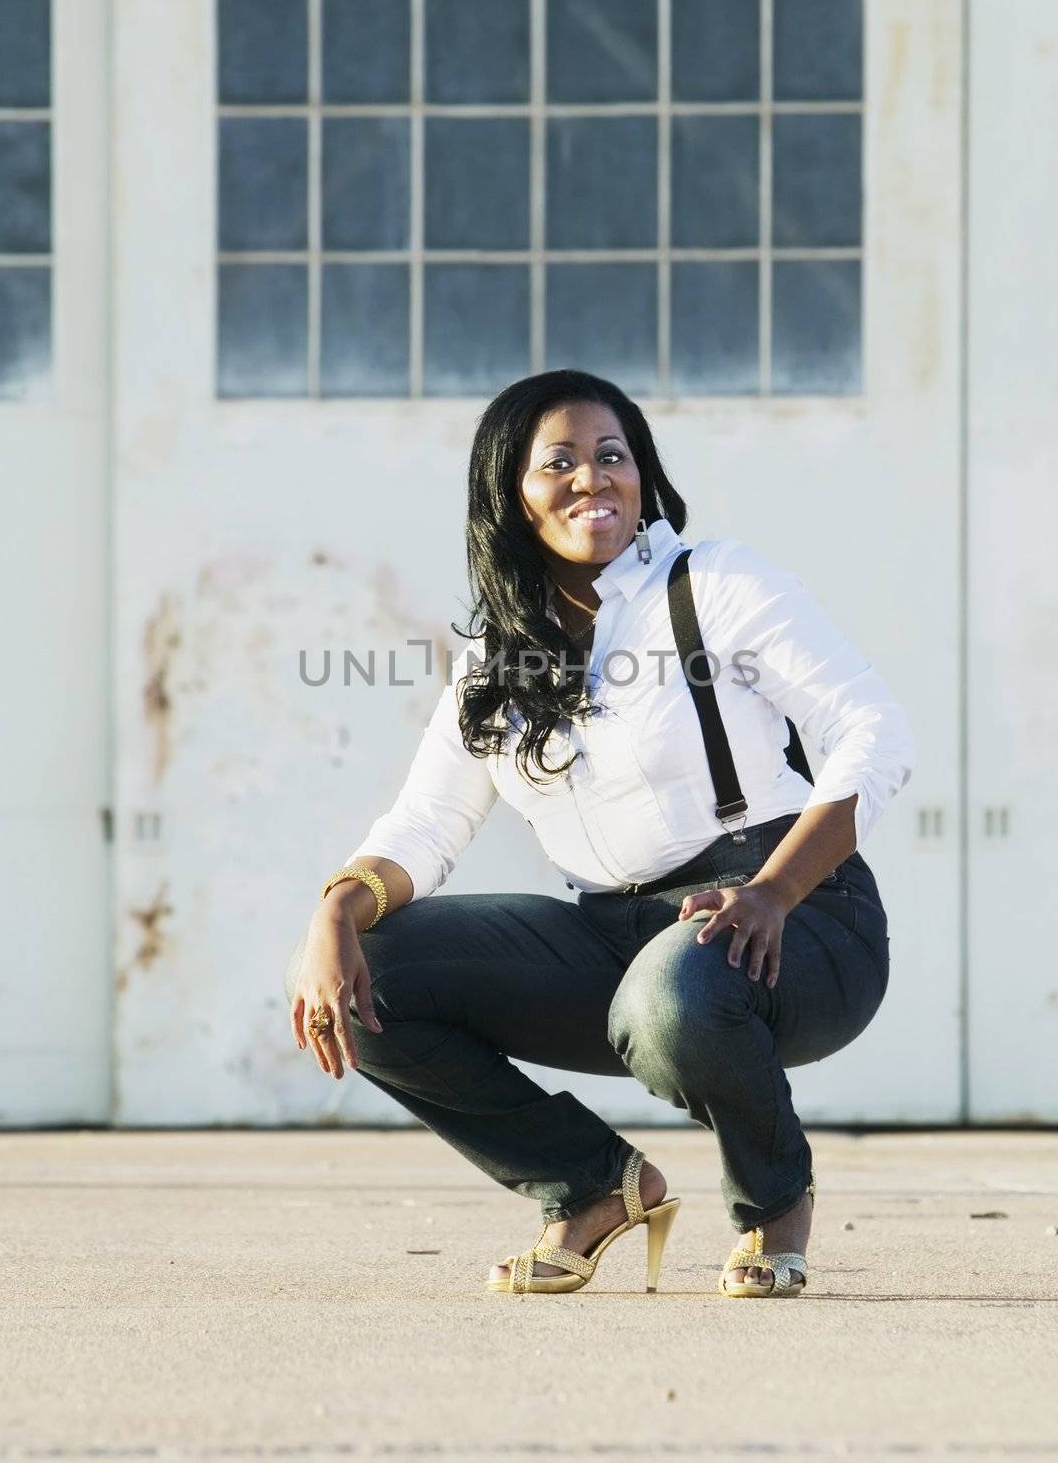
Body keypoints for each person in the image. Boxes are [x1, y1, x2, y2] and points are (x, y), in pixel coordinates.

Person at [285, 369, 914, 1298]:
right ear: (510, 495)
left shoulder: (715, 586)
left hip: (799, 914)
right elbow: (425, 821)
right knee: (380, 978)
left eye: (611, 456)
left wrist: (774, 890)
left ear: (642, 473)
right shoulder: (495, 664)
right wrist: (335, 913)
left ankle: (774, 1201)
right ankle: (590, 1187)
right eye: (561, 463)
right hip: (615, 933)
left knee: (677, 986)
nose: (594, 479)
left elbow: (874, 732)